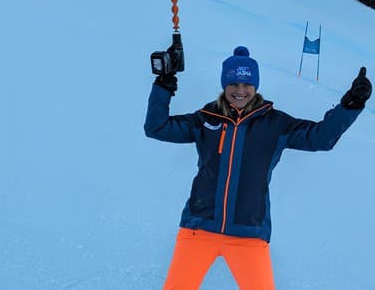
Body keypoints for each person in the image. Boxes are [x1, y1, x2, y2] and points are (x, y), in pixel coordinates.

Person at [144, 46, 371, 290]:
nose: (240, 91)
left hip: (249, 235)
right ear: (225, 85)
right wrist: (163, 85)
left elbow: (320, 138)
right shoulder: (206, 119)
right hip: (198, 230)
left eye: (246, 85)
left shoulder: (276, 124)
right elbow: (156, 128)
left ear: (255, 86)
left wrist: (350, 105)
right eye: (234, 84)